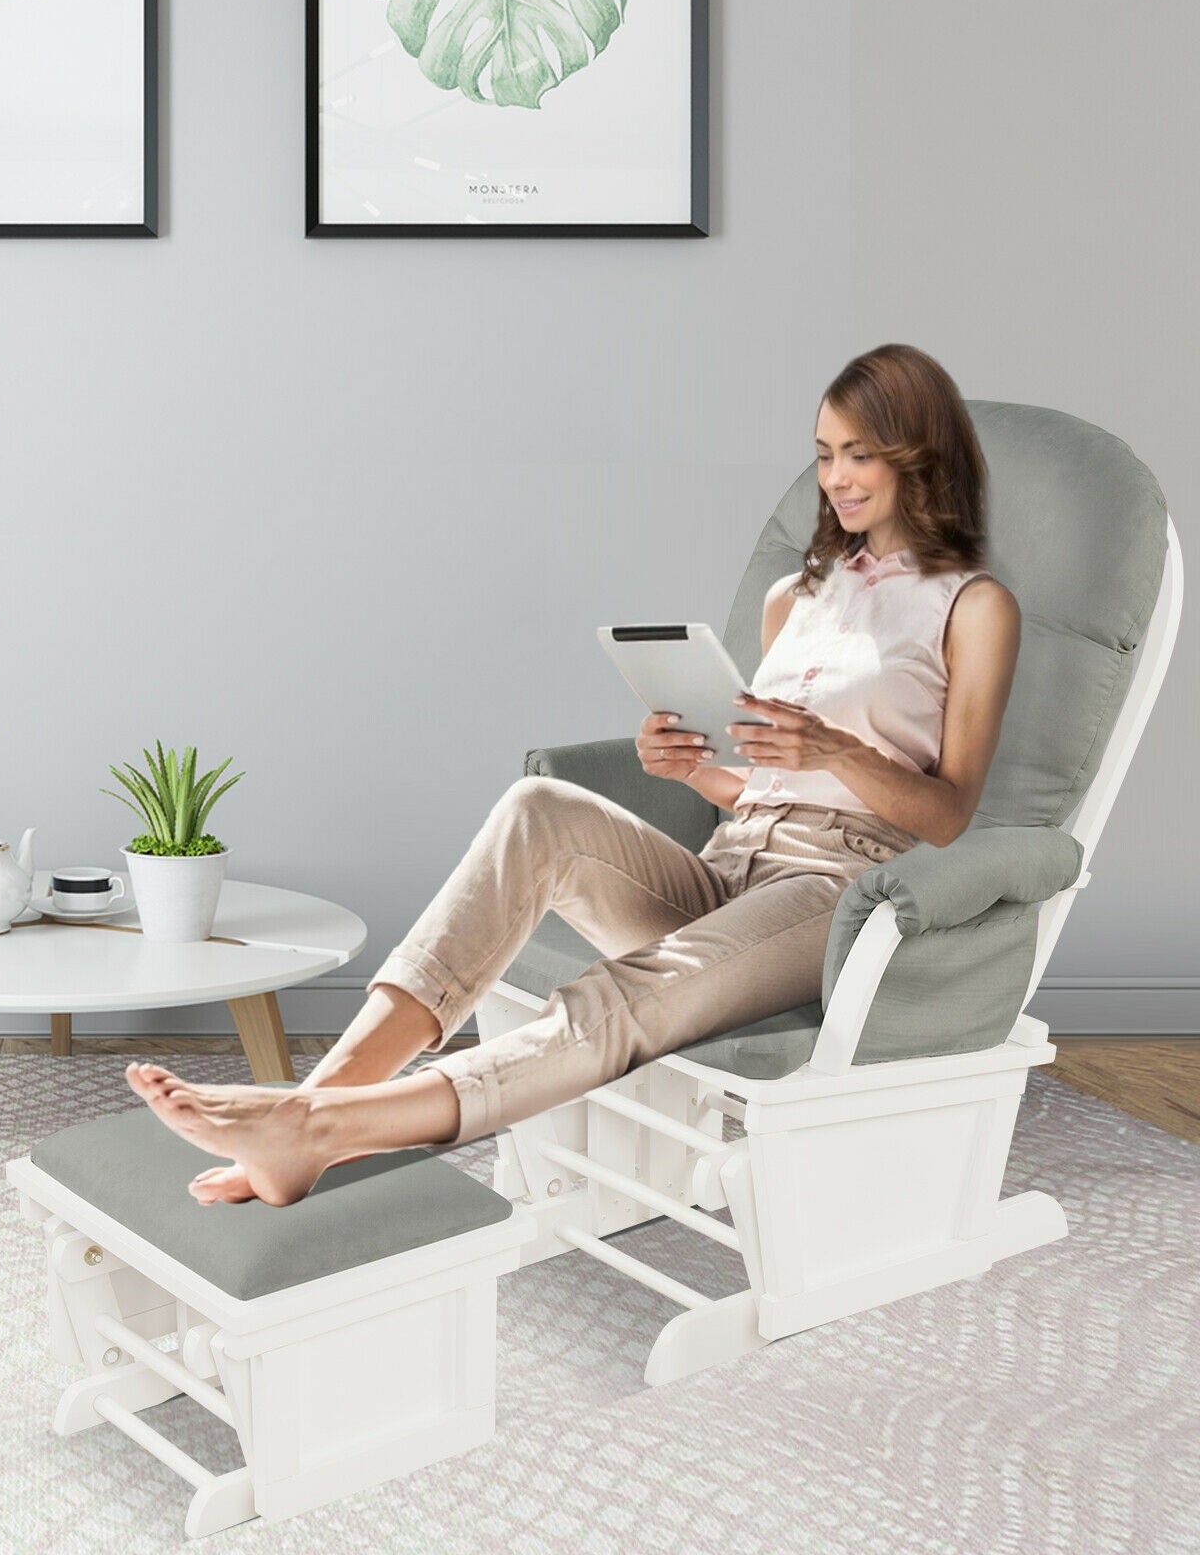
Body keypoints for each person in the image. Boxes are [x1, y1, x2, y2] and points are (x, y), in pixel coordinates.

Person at [127, 344, 1023, 1207]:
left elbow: (948, 815)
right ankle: (307, 1108)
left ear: (919, 456)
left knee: (628, 993)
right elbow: (769, 782)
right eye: (824, 455)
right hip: (731, 861)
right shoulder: (798, 596)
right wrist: (701, 771)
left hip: (835, 886)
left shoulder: (973, 605)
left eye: (859, 454)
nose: (835, 477)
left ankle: (320, 1126)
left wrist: (837, 750)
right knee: (537, 808)